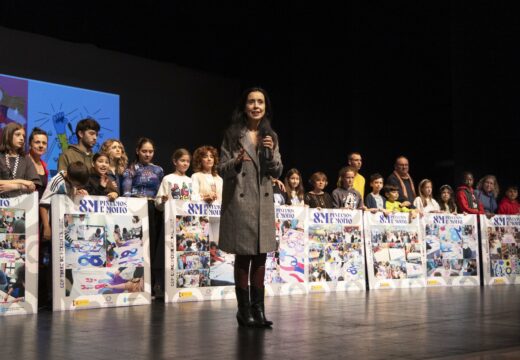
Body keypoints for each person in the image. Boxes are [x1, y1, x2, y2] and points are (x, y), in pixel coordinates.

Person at [217, 87, 283, 328]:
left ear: (265, 107)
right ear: (244, 106)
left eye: (261, 102)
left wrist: (269, 153)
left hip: (263, 204)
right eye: (252, 102)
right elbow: (221, 169)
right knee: (244, 257)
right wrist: (235, 162)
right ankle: (244, 311)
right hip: (240, 201)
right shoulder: (233, 134)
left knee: (261, 257)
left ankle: (259, 309)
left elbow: (277, 170)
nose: (256, 106)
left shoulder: (271, 136)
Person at [122, 137, 164, 298]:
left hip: (155, 210)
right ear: (137, 151)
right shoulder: (131, 169)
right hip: (137, 210)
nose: (147, 154)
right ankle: (137, 285)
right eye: (144, 151)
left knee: (153, 248)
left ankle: (154, 286)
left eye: (150, 151)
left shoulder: (159, 170)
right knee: (138, 247)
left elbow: (161, 192)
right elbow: (126, 192)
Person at [40, 161, 90, 241]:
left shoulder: (72, 180)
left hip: (63, 225)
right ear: (70, 178)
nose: (78, 187)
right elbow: (43, 204)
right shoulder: (57, 182)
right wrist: (46, 227)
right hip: (53, 225)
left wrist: (77, 194)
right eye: (77, 185)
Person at [0, 122, 41, 197]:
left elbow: (33, 185)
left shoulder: (25, 159)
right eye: (18, 134)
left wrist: (17, 186)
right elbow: (27, 183)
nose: (22, 138)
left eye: (23, 136)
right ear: (8, 135)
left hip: (20, 205)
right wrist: (21, 181)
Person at [27, 127, 49, 199]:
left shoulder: (44, 165)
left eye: (44, 143)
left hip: (39, 207)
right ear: (30, 144)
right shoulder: (23, 161)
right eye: (37, 142)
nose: (41, 146)